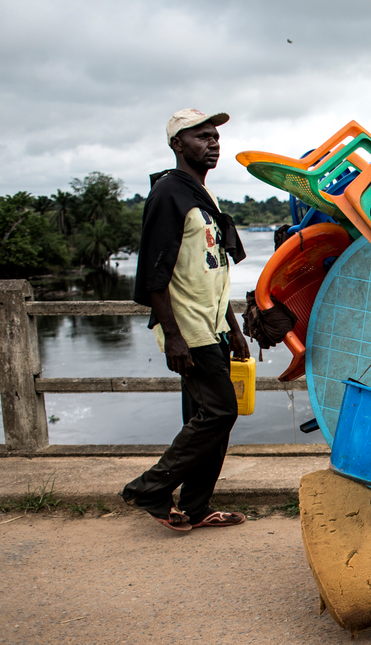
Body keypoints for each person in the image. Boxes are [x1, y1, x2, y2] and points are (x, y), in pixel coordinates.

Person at [122, 109, 251, 533]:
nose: (213, 143)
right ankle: (150, 487)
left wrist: (232, 328)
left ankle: (196, 507)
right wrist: (173, 337)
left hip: (210, 325)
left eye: (215, 136)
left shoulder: (201, 194)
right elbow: (154, 274)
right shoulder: (168, 194)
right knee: (220, 412)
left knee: (207, 419)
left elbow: (213, 272)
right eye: (201, 137)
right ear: (178, 145)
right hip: (188, 328)